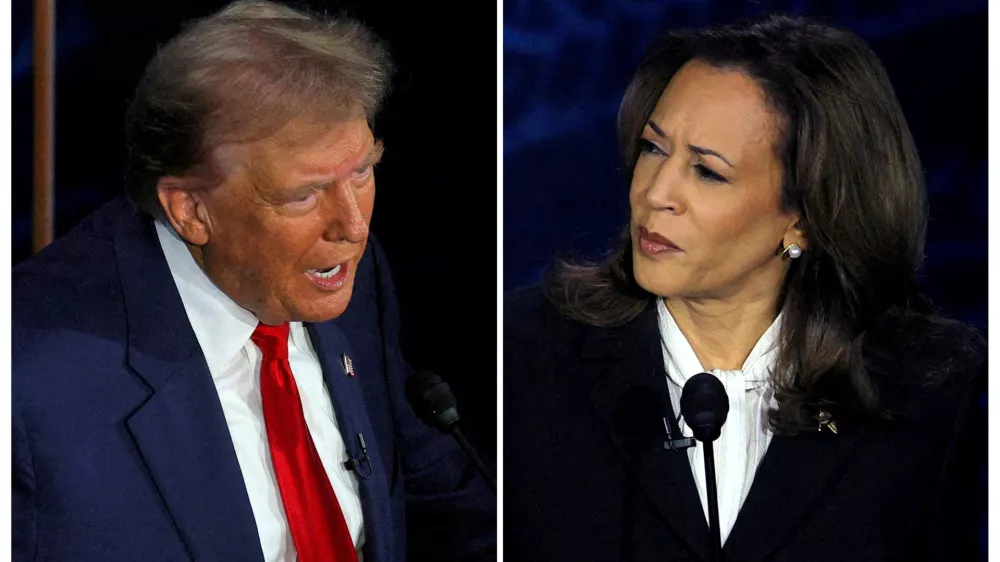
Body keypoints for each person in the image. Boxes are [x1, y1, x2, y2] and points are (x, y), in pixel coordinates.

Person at [12, 2, 495, 561]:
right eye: (304, 195)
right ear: (192, 210)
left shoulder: (345, 279)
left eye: (362, 172)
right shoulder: (31, 387)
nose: (354, 227)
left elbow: (452, 502)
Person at [504, 13, 984, 562]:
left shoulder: (926, 388)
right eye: (654, 149)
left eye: (707, 171)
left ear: (804, 216)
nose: (657, 192)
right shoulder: (522, 353)